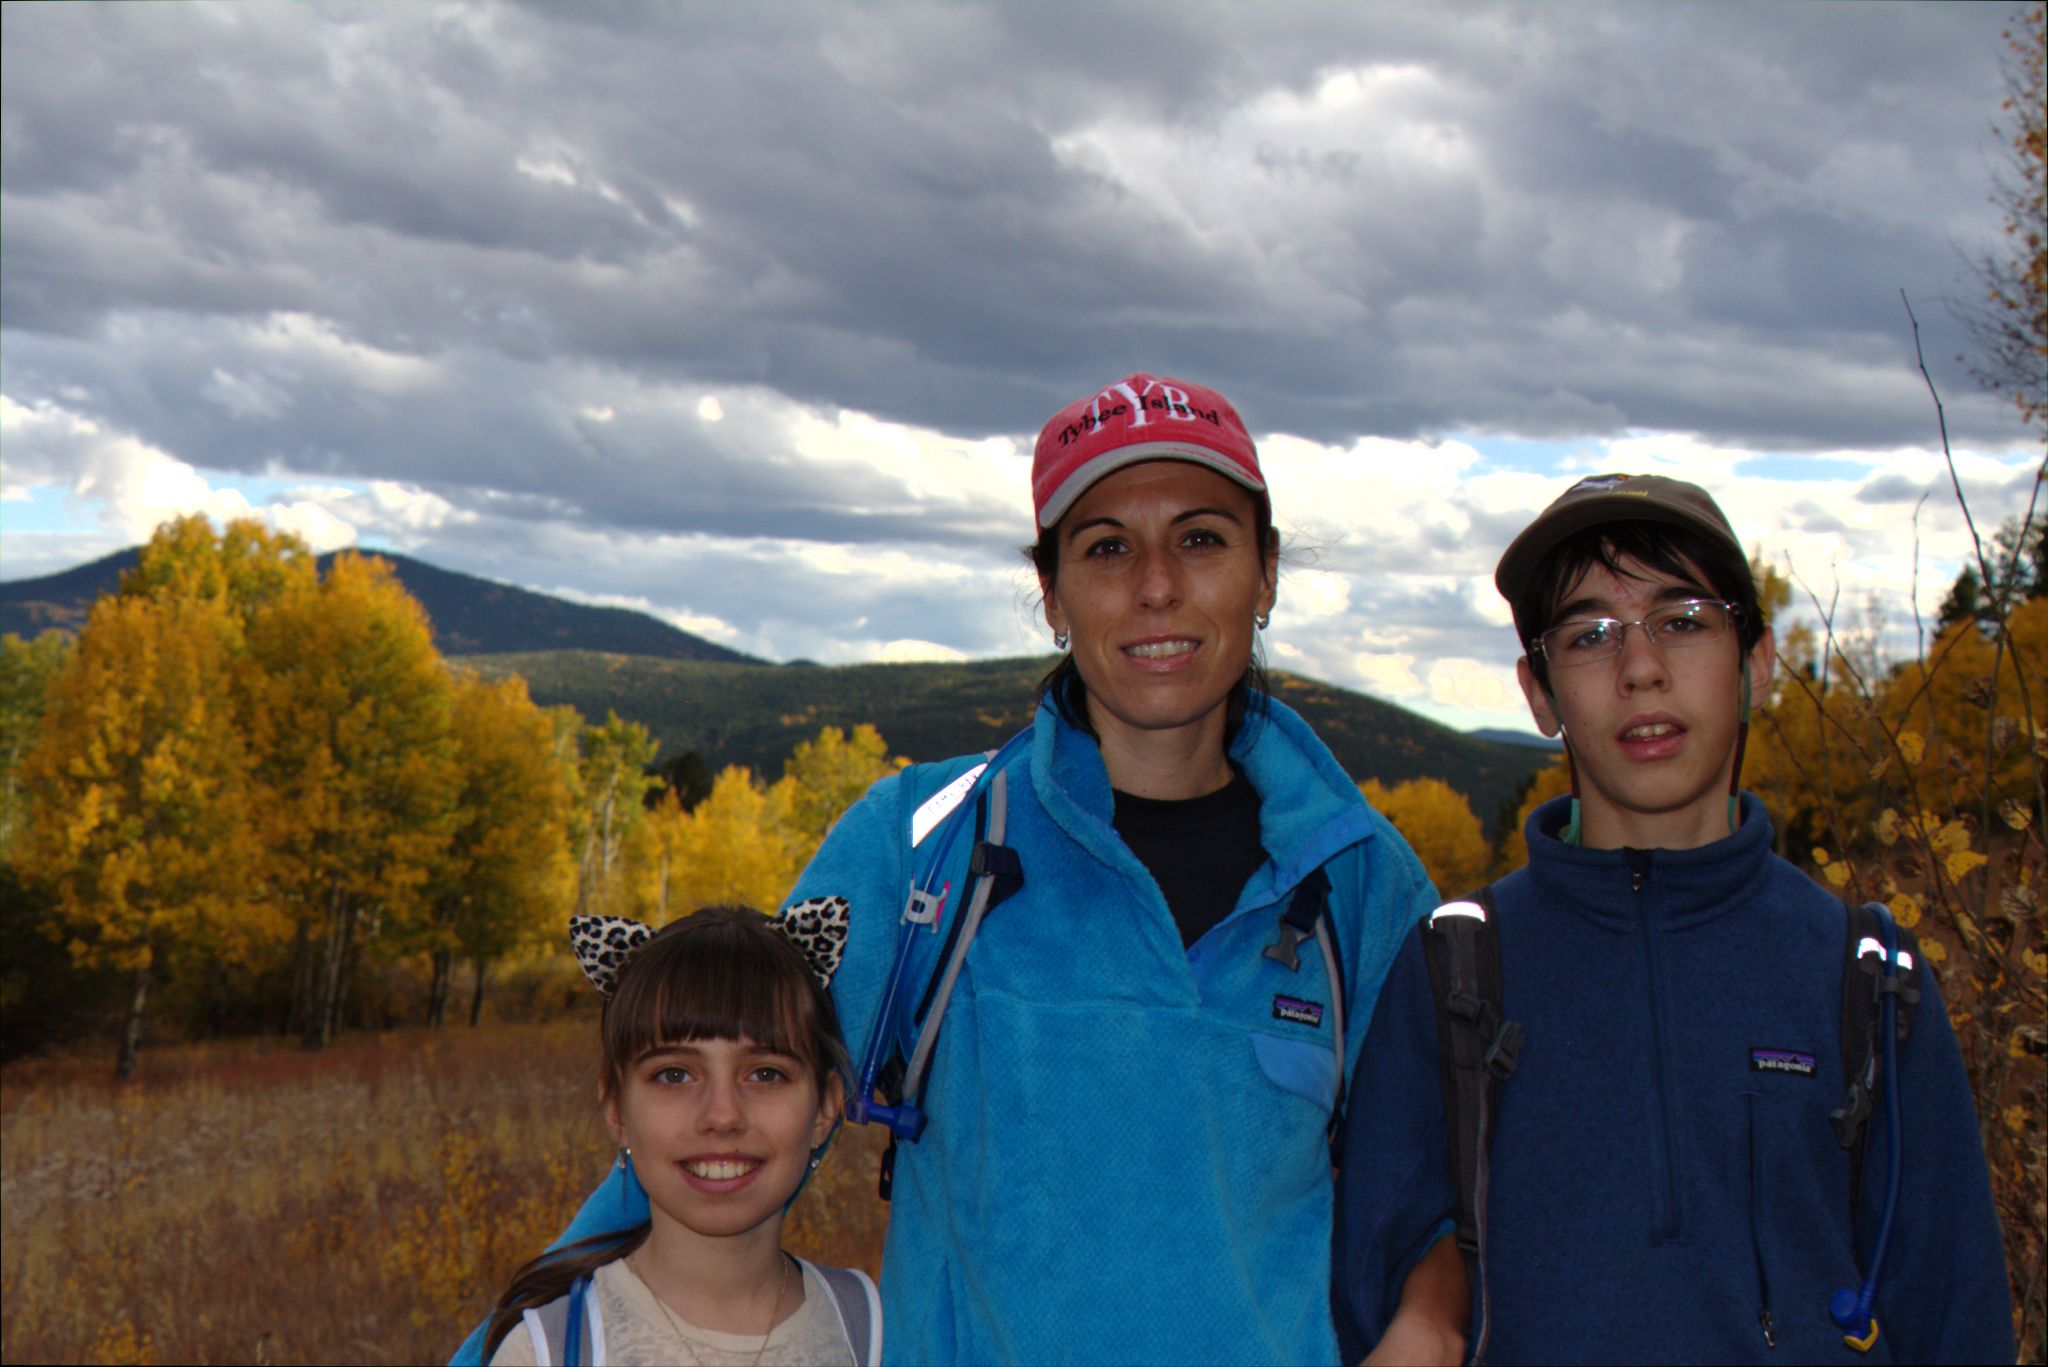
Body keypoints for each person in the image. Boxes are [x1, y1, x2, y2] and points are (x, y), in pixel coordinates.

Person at [463, 372, 1437, 1364]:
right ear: (1051, 595)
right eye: (1106, 546)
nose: (1155, 584)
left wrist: (1428, 1322)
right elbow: (709, 1108)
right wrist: (526, 1340)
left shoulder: (1356, 878)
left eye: (1200, 537)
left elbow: (1433, 1191)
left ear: (1263, 574)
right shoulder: (924, 843)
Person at [1334, 473, 2015, 1364]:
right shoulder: (1454, 970)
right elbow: (1372, 1292)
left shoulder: (1867, 976)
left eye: (1685, 619)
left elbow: (1955, 1316)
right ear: (1539, 695)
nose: (1641, 666)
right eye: (1589, 635)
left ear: (1757, 661)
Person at [476, 906, 882, 1367]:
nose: (722, 1115)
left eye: (766, 1073)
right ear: (617, 1109)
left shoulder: (871, 1331)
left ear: (825, 1108)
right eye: (674, 1075)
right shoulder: (547, 1351)